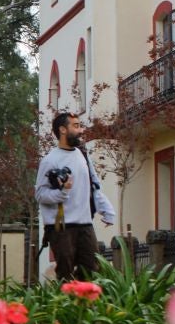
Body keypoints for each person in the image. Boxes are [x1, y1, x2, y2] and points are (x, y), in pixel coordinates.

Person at [35, 111, 115, 280]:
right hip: (61, 227)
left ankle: (86, 305)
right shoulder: (50, 160)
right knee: (65, 274)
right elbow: (40, 194)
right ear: (63, 130)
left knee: (92, 271)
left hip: (85, 224)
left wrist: (106, 210)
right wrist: (62, 192)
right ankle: (66, 304)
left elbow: (94, 185)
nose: (81, 130)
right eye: (76, 126)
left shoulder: (82, 155)